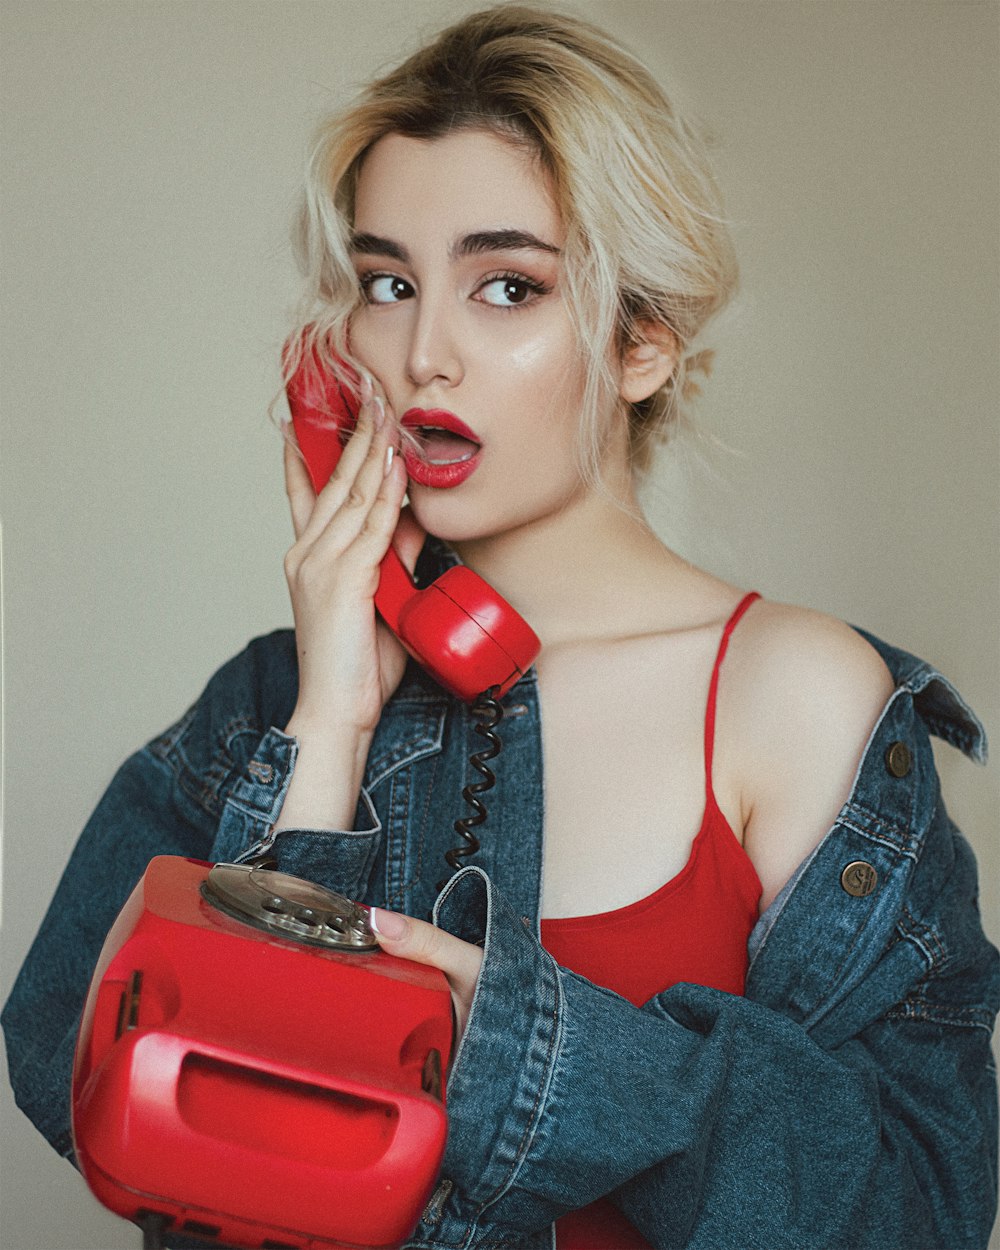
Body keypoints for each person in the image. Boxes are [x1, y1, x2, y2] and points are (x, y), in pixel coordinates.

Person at [3, 5, 997, 1248]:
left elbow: (915, 1211)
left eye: (507, 286)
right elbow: (121, 1120)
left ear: (641, 341)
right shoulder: (274, 702)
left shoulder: (793, 695)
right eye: (388, 283)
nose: (424, 354)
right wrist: (330, 727)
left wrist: (527, 1051)